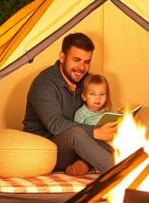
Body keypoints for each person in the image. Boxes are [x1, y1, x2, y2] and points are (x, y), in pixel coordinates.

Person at [22, 32, 116, 177]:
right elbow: (56, 125)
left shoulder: (86, 82)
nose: (81, 67)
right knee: (77, 134)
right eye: (76, 60)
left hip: (74, 147)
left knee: (110, 139)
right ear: (62, 57)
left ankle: (139, 163)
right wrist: (95, 132)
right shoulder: (44, 84)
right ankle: (123, 175)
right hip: (45, 150)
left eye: (87, 62)